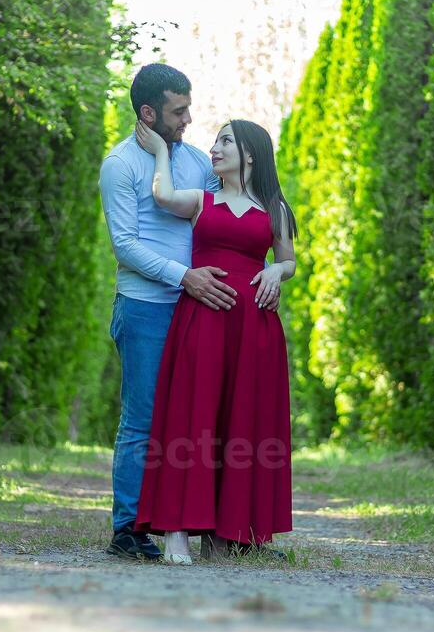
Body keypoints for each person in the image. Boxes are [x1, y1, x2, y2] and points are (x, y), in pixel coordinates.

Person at [99, 64, 280, 563]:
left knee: (206, 418)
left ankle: (223, 528)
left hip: (203, 307)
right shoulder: (120, 165)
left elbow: (232, 215)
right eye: (179, 111)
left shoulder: (199, 161)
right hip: (146, 305)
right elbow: (125, 245)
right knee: (143, 419)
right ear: (149, 113)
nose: (188, 119)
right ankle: (130, 529)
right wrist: (184, 276)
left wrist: (268, 272)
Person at [132, 117, 296, 565]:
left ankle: (224, 533)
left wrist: (274, 272)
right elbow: (161, 195)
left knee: (239, 424)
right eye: (216, 141)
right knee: (192, 418)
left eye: (225, 141)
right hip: (203, 321)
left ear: (249, 154)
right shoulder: (202, 201)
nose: (215, 148)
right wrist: (162, 154)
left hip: (253, 330)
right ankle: (176, 532)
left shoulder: (275, 209)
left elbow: (289, 262)